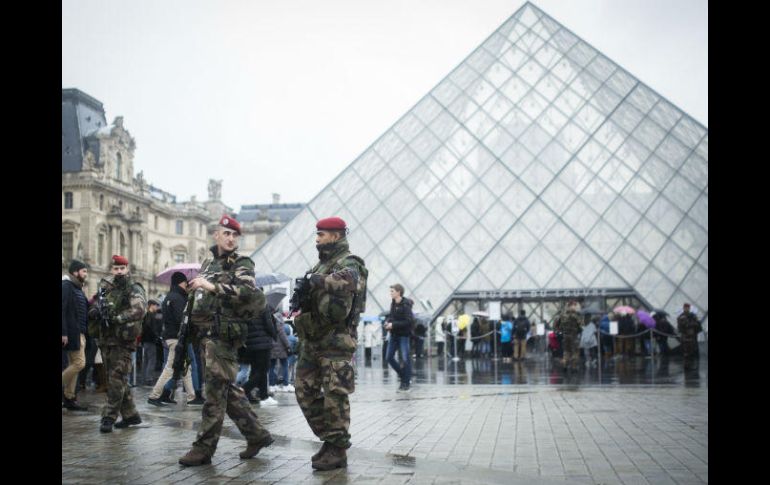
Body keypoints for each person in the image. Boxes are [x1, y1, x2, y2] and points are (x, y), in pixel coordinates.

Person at [179, 215, 274, 466]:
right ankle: (257, 435)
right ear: (216, 235)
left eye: (235, 235)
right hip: (206, 335)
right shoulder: (209, 263)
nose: (231, 238)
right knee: (225, 389)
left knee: (214, 394)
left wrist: (211, 287)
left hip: (224, 337)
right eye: (226, 233)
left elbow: (247, 291)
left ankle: (203, 448)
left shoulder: (241, 263)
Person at [293, 216, 367, 471]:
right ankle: (332, 439)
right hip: (313, 339)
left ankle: (336, 448)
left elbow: (348, 282)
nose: (317, 239)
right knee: (303, 390)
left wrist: (314, 281)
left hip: (336, 340)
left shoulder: (350, 262)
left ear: (335, 235)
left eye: (321, 234)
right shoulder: (320, 265)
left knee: (335, 394)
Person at [88, 255, 147, 433]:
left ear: (127, 269)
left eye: (122, 268)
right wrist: (94, 311)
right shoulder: (106, 287)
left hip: (123, 341)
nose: (119, 272)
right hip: (106, 339)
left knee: (115, 379)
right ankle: (131, 415)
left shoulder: (133, 288)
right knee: (117, 379)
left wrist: (118, 318)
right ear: (112, 269)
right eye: (116, 269)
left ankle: (108, 417)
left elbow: (140, 309)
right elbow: (97, 303)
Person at [148, 272, 197, 406]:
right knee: (170, 368)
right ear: (182, 282)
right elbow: (182, 319)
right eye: (186, 282)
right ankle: (154, 396)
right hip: (177, 338)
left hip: (172, 337)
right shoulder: (179, 298)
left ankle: (192, 397)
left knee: (186, 367)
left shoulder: (169, 296)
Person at [62, 259, 90, 411]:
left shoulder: (78, 288)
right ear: (75, 272)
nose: (86, 274)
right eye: (83, 271)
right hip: (72, 333)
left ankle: (69, 397)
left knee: (75, 365)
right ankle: (68, 395)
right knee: (80, 364)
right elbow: (62, 310)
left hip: (80, 333)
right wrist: (63, 332)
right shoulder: (66, 286)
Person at [385, 284, 415, 392]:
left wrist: (393, 325)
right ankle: (404, 376)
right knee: (389, 357)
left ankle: (405, 384)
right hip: (394, 335)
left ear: (398, 292)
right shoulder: (393, 303)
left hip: (404, 335)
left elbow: (408, 321)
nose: (391, 293)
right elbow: (392, 316)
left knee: (406, 359)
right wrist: (388, 322)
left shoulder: (406, 305)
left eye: (392, 291)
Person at [269, 312, 293, 393]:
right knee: (285, 365)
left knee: (271, 367)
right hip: (281, 349)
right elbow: (283, 336)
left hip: (272, 348)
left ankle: (272, 385)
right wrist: (288, 346)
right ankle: (285, 384)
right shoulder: (279, 324)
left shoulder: (270, 324)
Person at [554, 301, 582, 370]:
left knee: (566, 351)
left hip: (565, 336)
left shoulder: (562, 315)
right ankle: (574, 367)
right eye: (574, 305)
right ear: (572, 306)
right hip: (574, 336)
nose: (575, 307)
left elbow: (556, 325)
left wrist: (560, 331)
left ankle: (565, 365)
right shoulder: (576, 315)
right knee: (574, 351)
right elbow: (581, 326)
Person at [140, 299, 162, 386]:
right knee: (151, 360)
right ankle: (148, 379)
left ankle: (144, 378)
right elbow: (150, 328)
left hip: (146, 340)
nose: (157, 307)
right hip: (150, 340)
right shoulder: (150, 315)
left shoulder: (146, 315)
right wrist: (156, 336)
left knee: (146, 360)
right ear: (151, 305)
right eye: (156, 305)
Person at [677, 303, 702, 370]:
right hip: (686, 336)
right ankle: (687, 366)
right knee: (687, 352)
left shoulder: (692, 315)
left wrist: (694, 322)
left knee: (691, 351)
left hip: (692, 335)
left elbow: (697, 324)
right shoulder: (682, 316)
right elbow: (686, 325)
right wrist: (693, 323)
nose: (687, 308)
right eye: (686, 307)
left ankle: (690, 365)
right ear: (684, 308)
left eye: (688, 307)